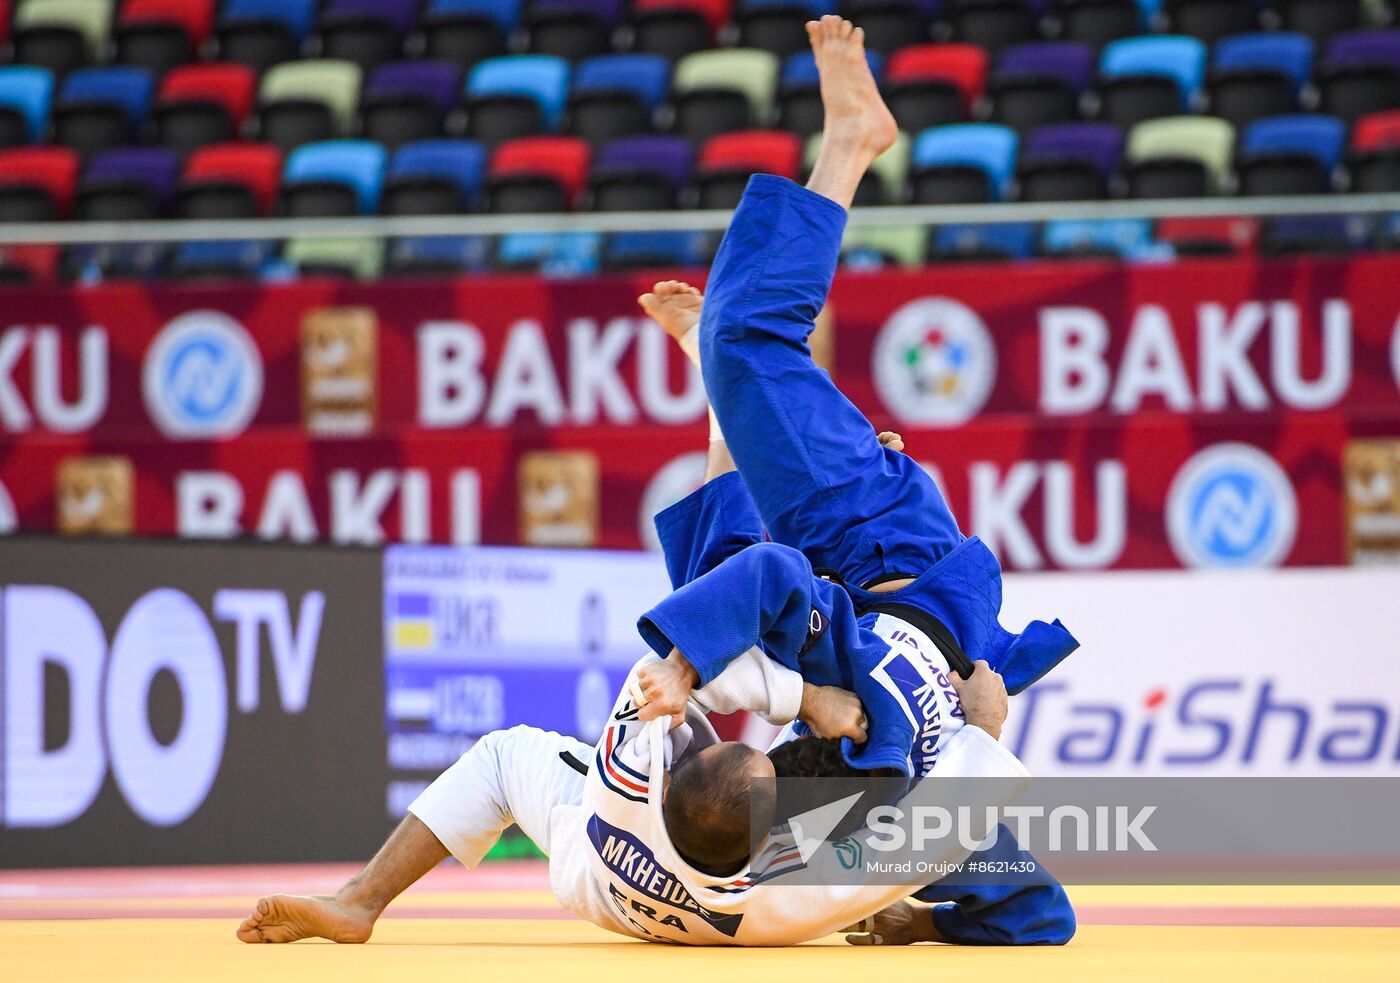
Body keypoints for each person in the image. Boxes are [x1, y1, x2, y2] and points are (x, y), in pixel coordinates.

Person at [237, 17, 1037, 948]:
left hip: (861, 606)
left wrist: (854, 736)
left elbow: (745, 590)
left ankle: (359, 901)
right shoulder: (786, 869)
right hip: (899, 567)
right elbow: (750, 617)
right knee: (750, 343)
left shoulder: (759, 857)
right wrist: (933, 756)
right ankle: (850, 149)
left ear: (659, 774)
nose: (749, 732)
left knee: (716, 574)